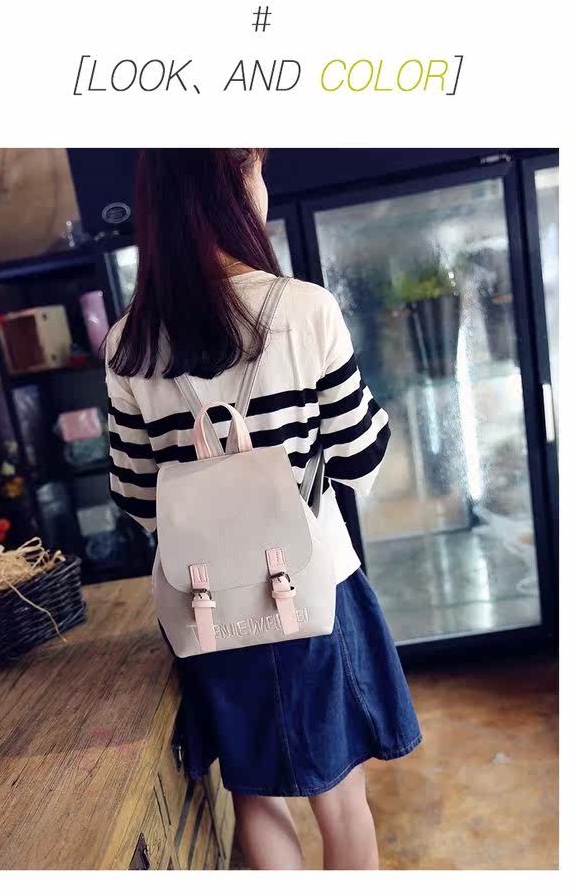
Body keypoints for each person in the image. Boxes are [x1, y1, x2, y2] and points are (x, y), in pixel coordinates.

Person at [105, 149, 422, 870]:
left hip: (207, 606)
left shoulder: (128, 341)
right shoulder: (303, 309)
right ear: (230, 185)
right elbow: (360, 458)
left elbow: (136, 496)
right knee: (342, 803)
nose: (262, 184)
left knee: (253, 795)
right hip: (314, 589)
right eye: (254, 167)